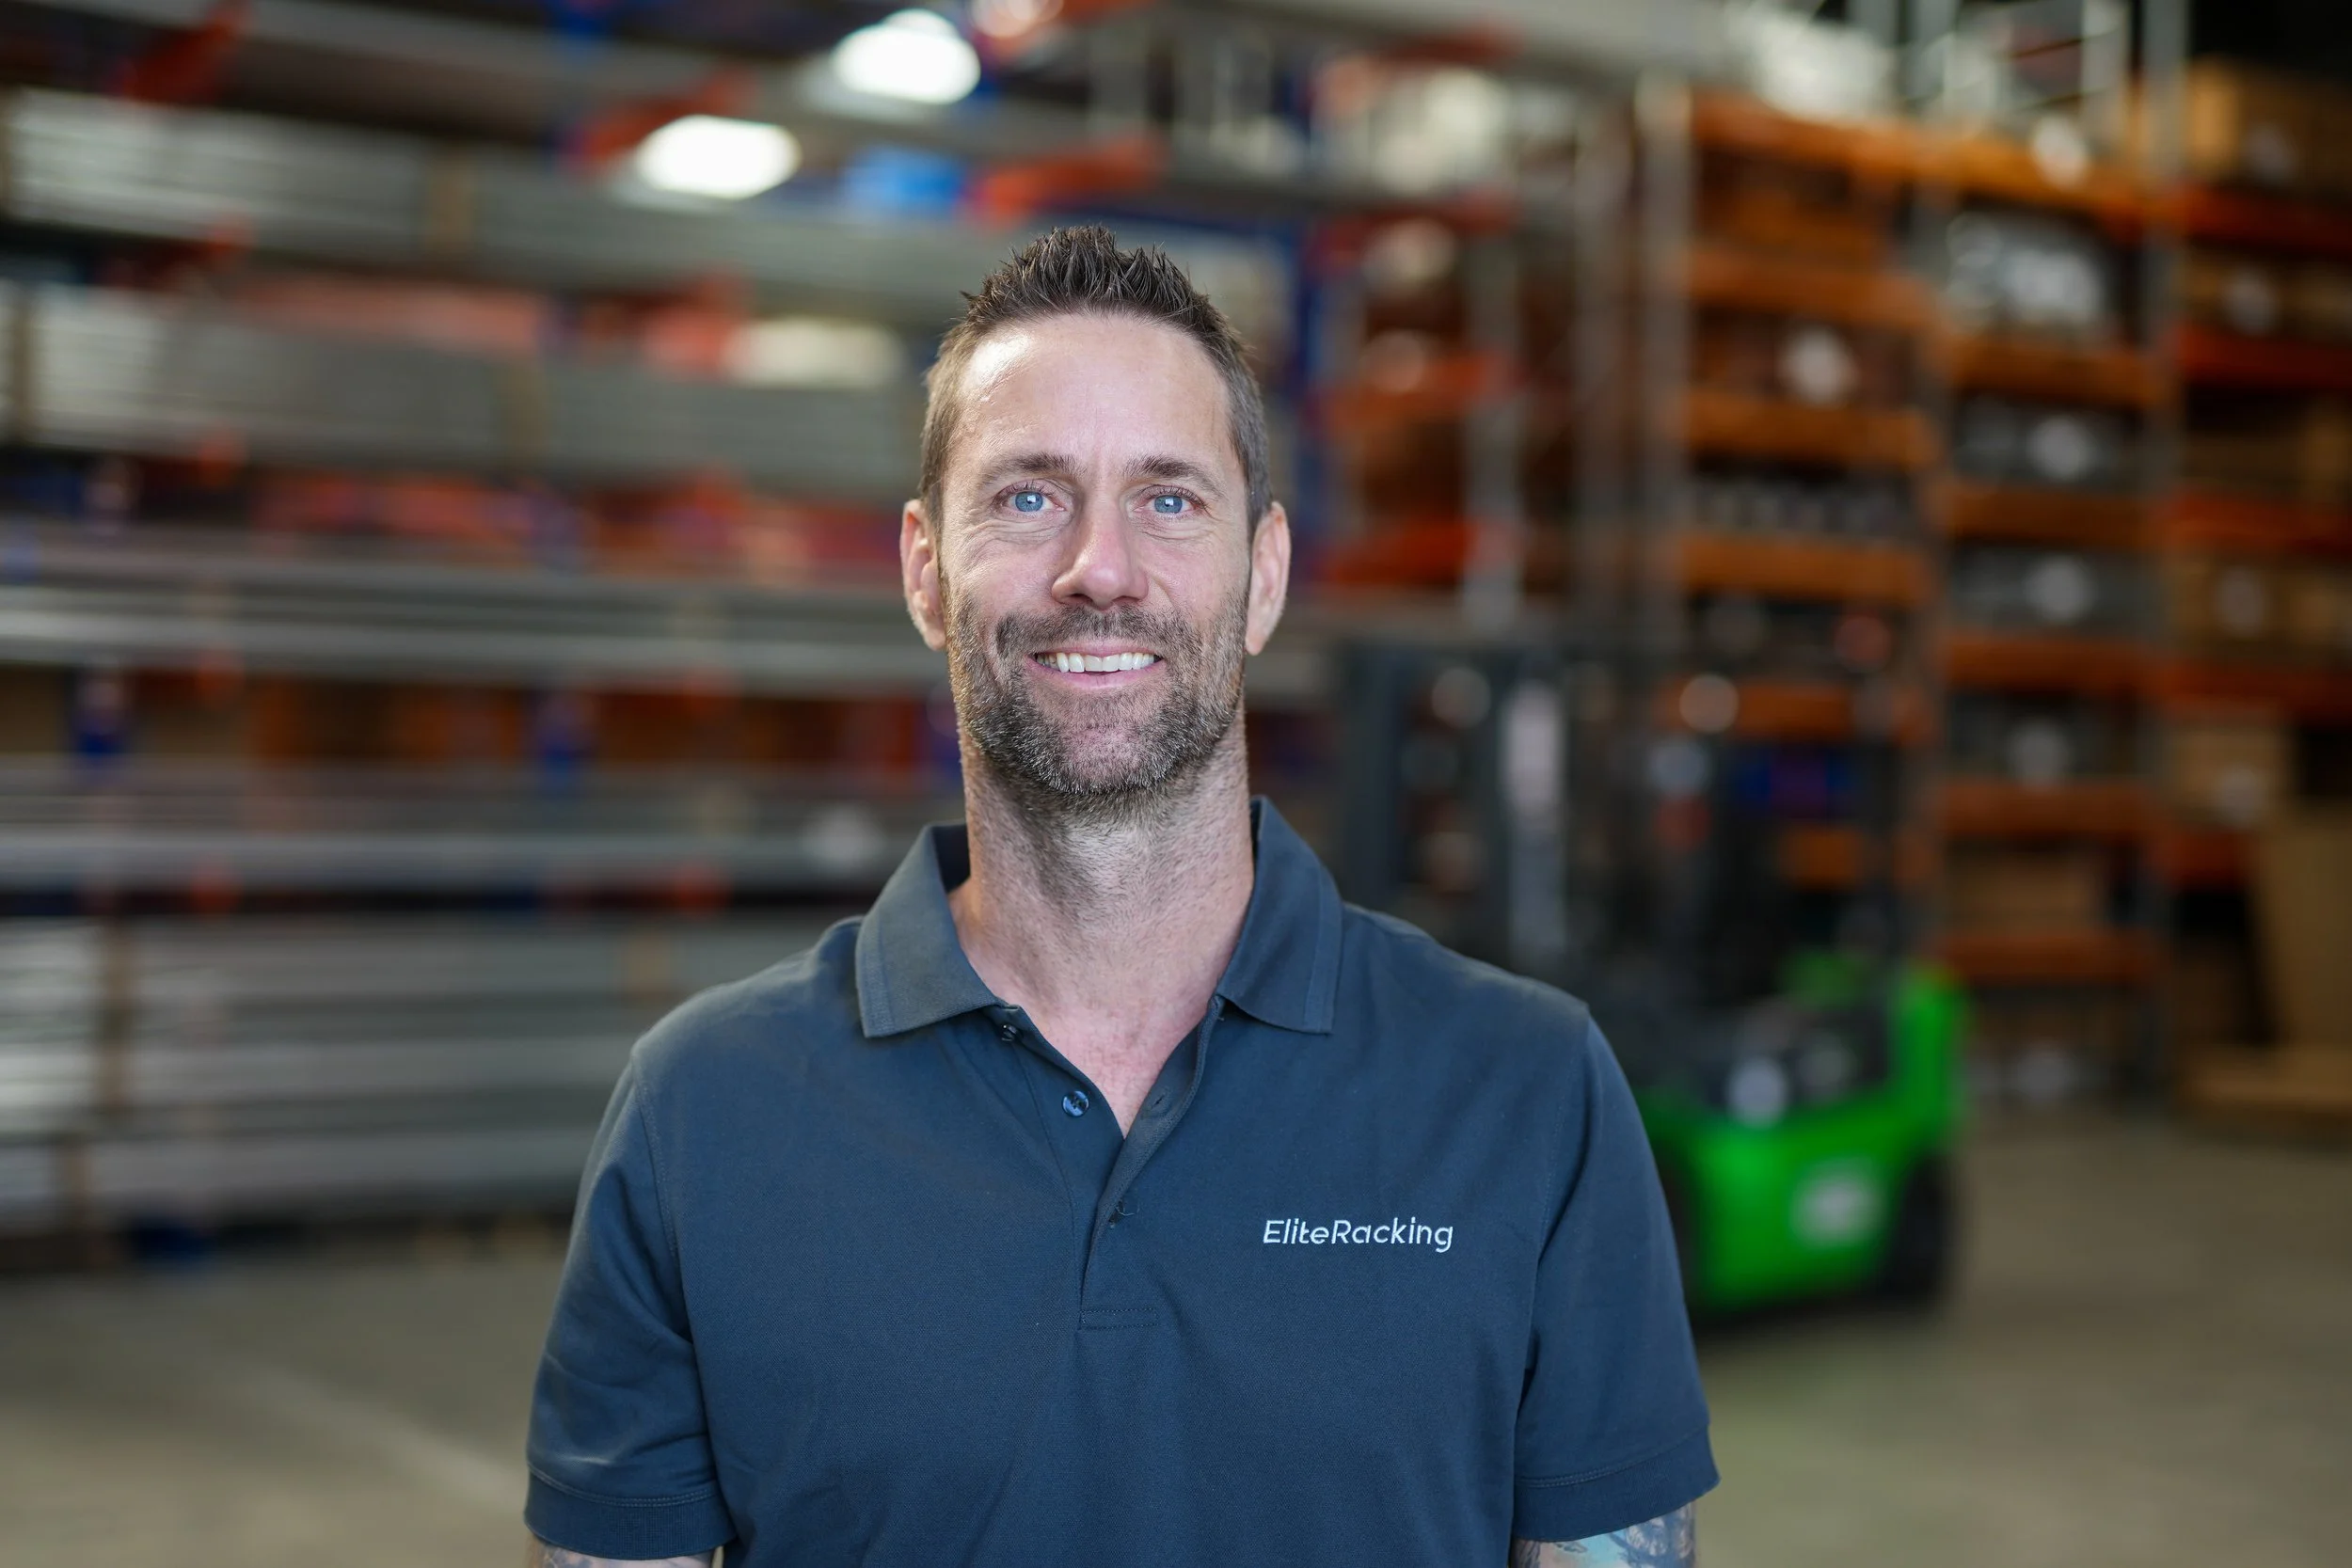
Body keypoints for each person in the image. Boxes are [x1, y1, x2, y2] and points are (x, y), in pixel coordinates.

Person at [524, 226, 1715, 1568]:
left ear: (1262, 576)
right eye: (1029, 497)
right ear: (924, 569)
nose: (1101, 568)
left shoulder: (1529, 1093)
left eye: (1170, 499)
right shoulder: (704, 1114)